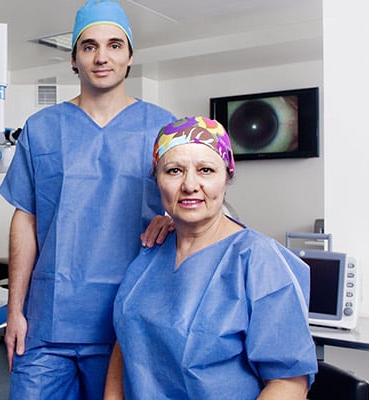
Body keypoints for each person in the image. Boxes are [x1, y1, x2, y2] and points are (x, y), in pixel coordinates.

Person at [0, 1, 176, 398]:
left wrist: (174, 220)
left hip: (125, 322)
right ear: (74, 59)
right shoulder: (42, 128)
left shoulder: (162, 127)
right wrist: (14, 310)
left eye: (114, 45)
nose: (102, 57)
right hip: (47, 322)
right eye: (89, 46)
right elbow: (24, 218)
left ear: (130, 56)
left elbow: (195, 201)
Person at [106, 116, 318, 399]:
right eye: (174, 171)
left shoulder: (258, 260)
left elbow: (289, 382)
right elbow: (126, 342)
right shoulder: (152, 248)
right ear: (156, 180)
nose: (190, 185)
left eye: (206, 170)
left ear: (227, 177)